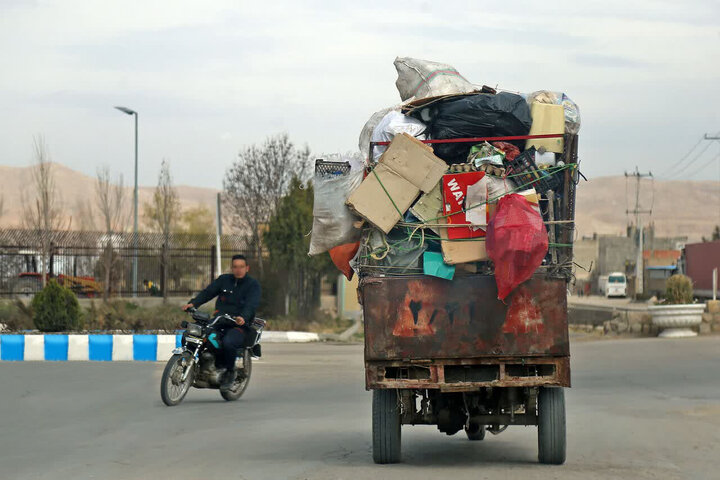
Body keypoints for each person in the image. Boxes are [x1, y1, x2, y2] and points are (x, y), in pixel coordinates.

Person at [182, 254, 261, 391]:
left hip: (239, 325)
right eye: (235, 267)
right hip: (220, 321)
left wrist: (243, 317)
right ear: (232, 268)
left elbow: (251, 305)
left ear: (247, 268)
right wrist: (193, 303)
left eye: (241, 267)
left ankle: (230, 372)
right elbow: (208, 292)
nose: (238, 270)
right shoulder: (224, 280)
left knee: (228, 342)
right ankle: (195, 366)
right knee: (194, 334)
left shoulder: (252, 285)